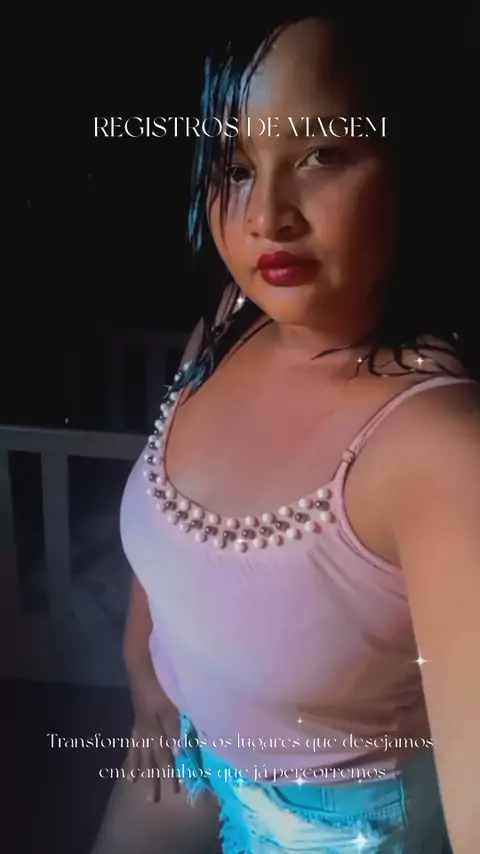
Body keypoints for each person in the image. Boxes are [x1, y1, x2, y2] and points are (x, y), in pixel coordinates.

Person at [90, 9, 479, 854]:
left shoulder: (439, 448)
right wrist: (144, 671)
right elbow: (169, 537)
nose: (268, 215)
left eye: (320, 154)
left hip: (324, 827)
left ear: (413, 158)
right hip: (182, 742)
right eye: (236, 167)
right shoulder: (230, 323)